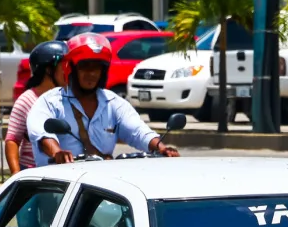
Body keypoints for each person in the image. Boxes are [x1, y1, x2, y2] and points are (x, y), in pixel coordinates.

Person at [27, 33, 179, 165]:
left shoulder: (114, 103)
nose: (91, 73)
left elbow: (138, 131)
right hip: (58, 187)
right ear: (71, 69)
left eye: (97, 67)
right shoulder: (49, 102)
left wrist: (160, 147)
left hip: (99, 186)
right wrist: (57, 153)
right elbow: (42, 135)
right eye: (85, 66)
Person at [5, 40, 68, 174]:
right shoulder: (27, 100)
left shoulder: (69, 97)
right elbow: (12, 140)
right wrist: (17, 176)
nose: (67, 71)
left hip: (65, 171)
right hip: (34, 173)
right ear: (49, 70)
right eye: (63, 66)